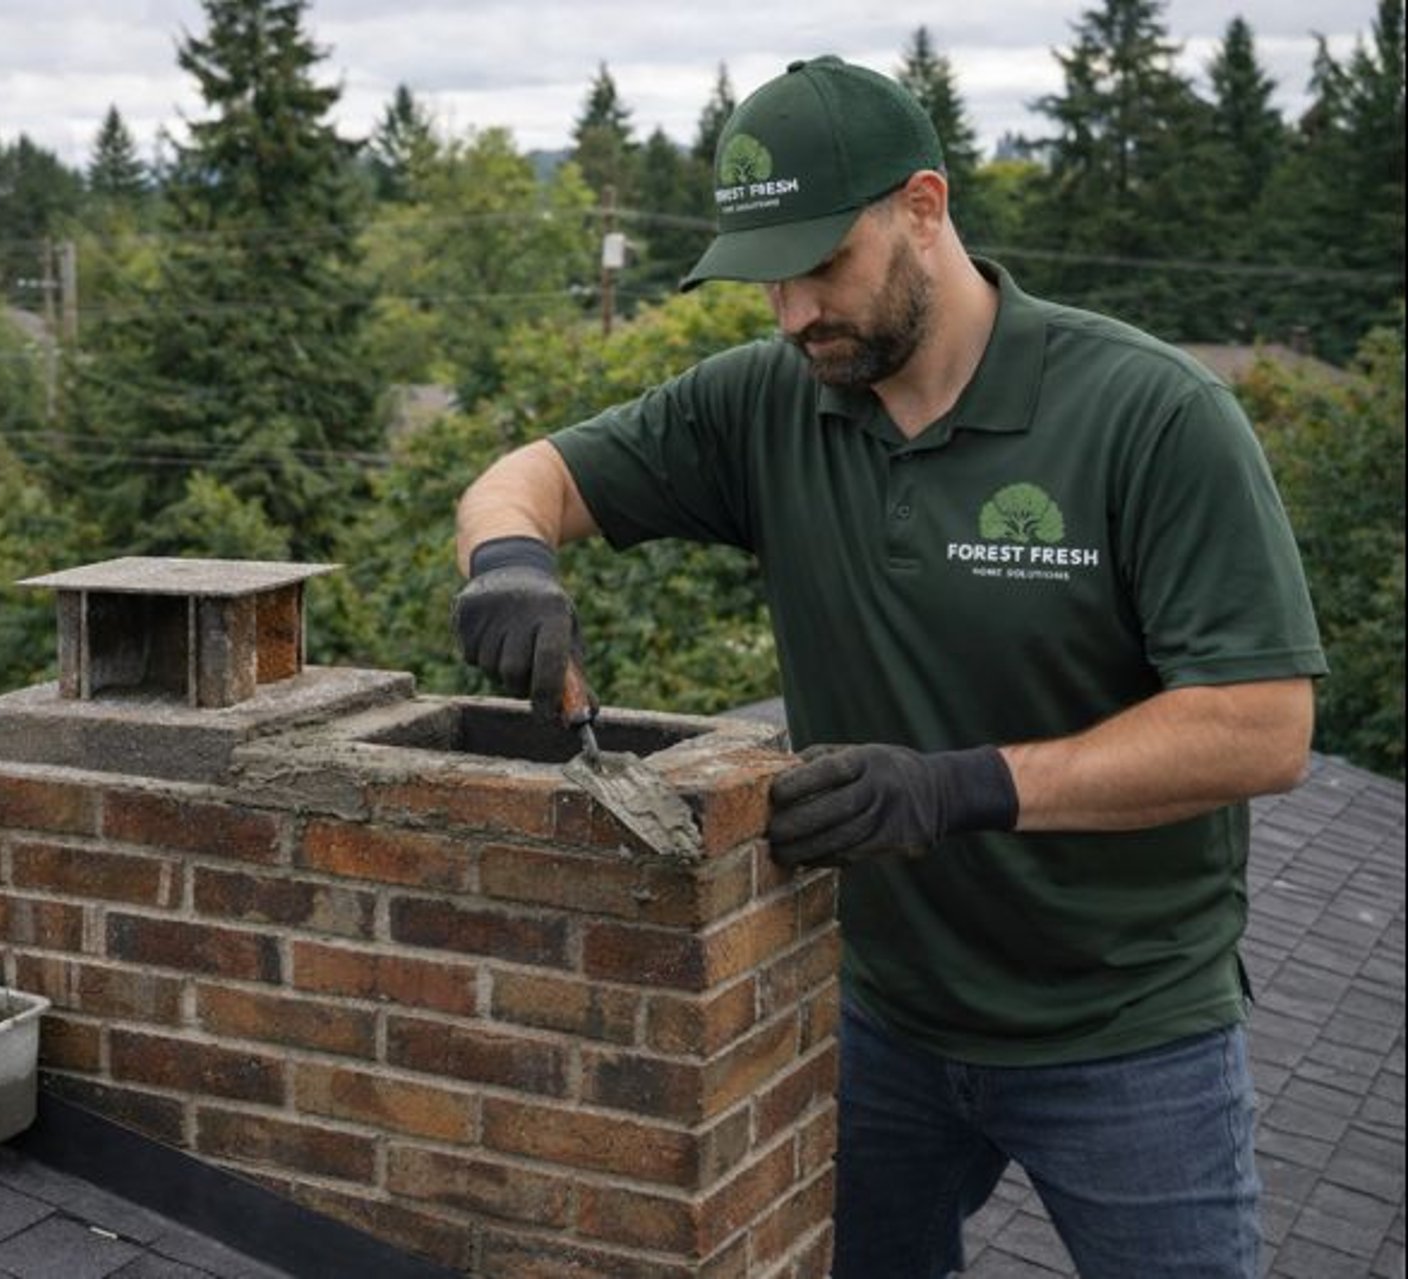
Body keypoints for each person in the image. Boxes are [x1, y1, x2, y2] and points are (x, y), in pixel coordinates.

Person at [451, 55, 1324, 1279]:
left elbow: (1260, 728)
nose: (796, 313)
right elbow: (519, 477)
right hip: (877, 1022)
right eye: (771, 281)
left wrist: (952, 787)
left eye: (824, 266)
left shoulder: (1151, 415)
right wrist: (509, 568)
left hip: (1127, 1032)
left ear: (924, 207)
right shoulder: (769, 403)